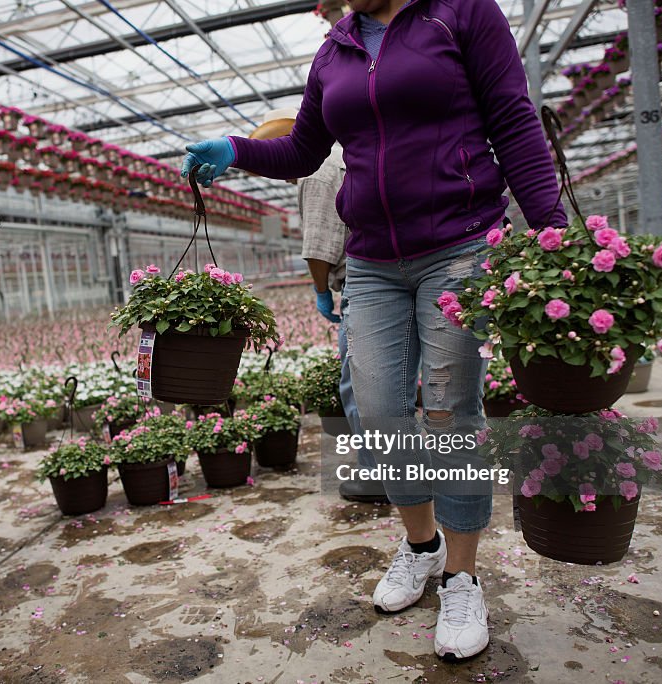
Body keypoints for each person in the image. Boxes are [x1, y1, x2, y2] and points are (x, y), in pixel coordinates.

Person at [181, 0, 566, 660]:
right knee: (378, 413)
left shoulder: (462, 12)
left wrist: (552, 229)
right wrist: (237, 149)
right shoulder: (336, 50)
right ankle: (422, 545)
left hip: (460, 244)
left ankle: (463, 578)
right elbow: (305, 149)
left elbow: (512, 120)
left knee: (449, 415)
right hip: (371, 261)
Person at [251, 108, 386, 503]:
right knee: (381, 380)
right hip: (380, 272)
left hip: (364, 281)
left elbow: (319, 243)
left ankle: (379, 473)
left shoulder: (318, 169)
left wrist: (321, 290)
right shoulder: (340, 157)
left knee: (360, 382)